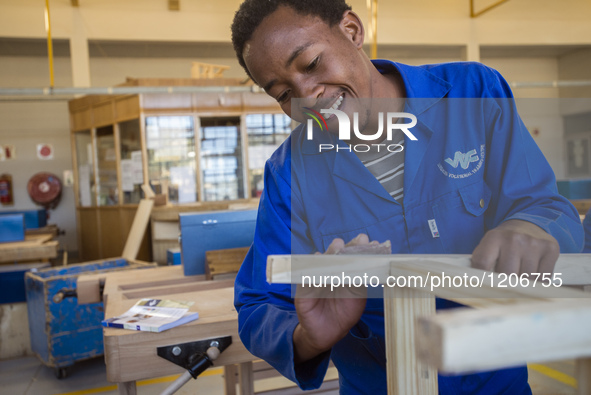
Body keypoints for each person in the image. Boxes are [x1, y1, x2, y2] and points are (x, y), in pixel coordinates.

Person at [231, 1, 584, 394]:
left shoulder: (472, 94)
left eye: (312, 64)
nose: (307, 97)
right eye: (282, 93)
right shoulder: (290, 172)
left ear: (351, 30)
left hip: (495, 381)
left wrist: (530, 225)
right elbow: (259, 301)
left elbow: (546, 205)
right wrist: (308, 336)